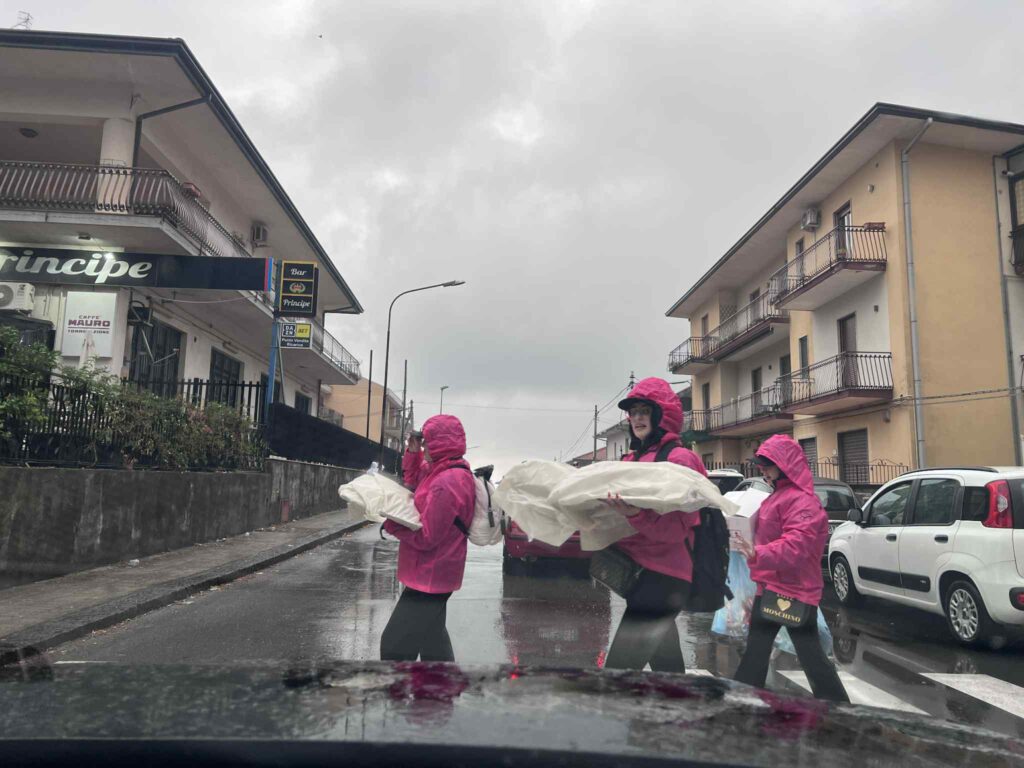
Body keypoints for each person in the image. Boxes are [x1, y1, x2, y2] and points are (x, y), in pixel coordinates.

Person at [600, 377, 708, 673]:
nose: (636, 418)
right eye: (632, 412)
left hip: (664, 581)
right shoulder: (633, 460)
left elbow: (674, 530)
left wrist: (635, 514)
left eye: (644, 411)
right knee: (669, 672)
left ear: (661, 415)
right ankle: (677, 715)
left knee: (616, 675)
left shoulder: (680, 461)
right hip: (640, 577)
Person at [733, 434, 849, 702]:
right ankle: (740, 703)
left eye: (767, 465)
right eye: (761, 466)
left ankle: (839, 710)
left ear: (784, 466)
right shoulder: (780, 496)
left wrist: (757, 552)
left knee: (809, 658)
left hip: (793, 592)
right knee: (759, 653)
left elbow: (798, 546)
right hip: (773, 587)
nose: (763, 471)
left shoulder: (801, 501)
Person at [379, 414, 476, 662]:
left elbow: (428, 537)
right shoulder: (441, 471)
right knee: (432, 642)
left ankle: (399, 696)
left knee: (394, 646)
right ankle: (436, 696)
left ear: (441, 444)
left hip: (432, 574)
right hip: (432, 573)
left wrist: (393, 524)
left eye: (426, 443)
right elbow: (414, 478)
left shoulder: (447, 482)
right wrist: (412, 453)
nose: (423, 447)